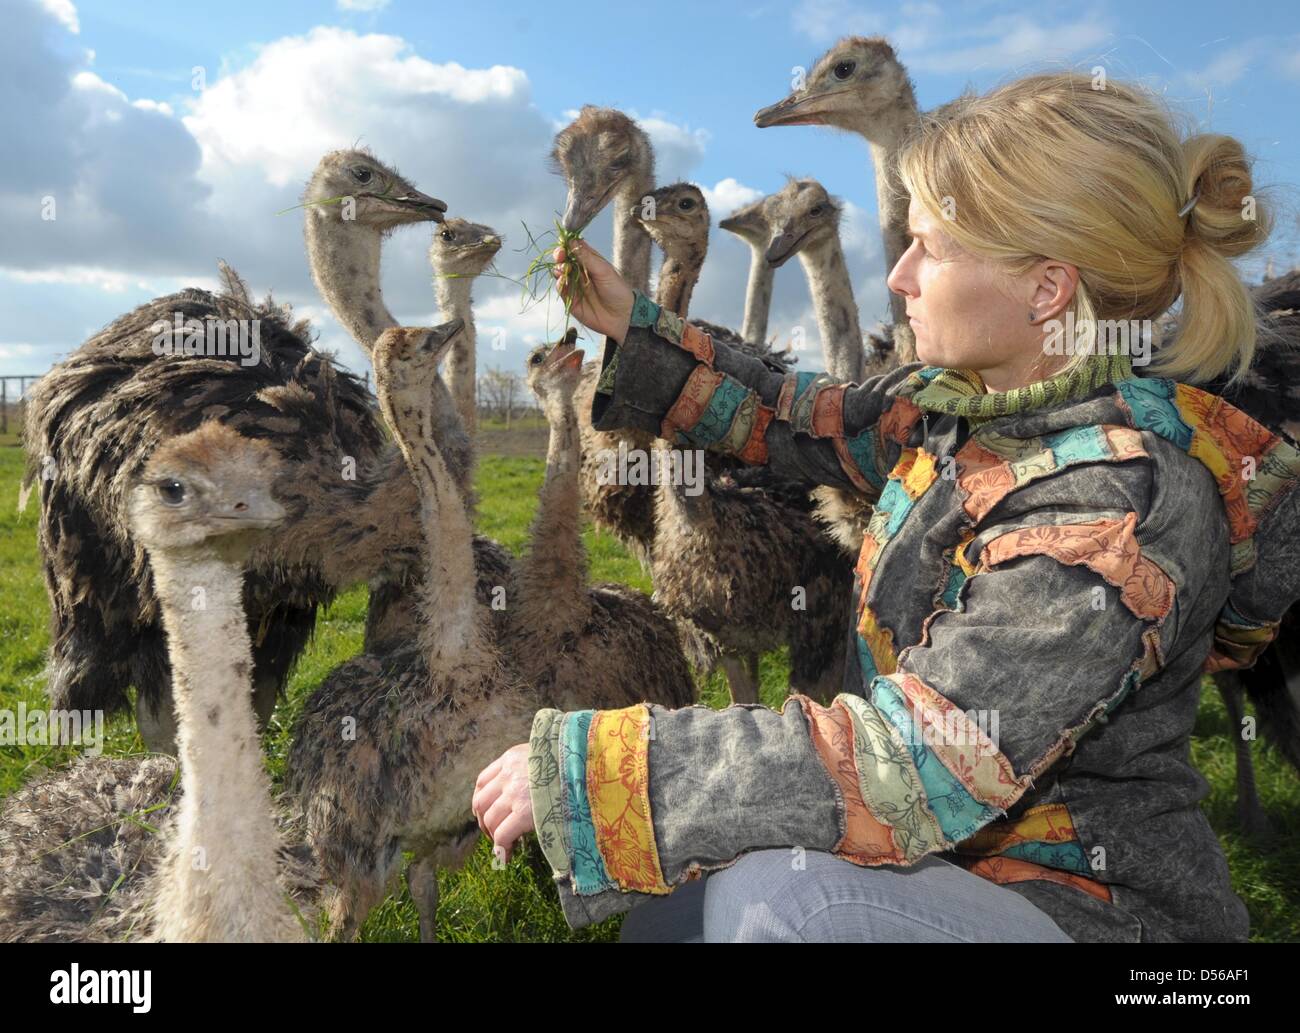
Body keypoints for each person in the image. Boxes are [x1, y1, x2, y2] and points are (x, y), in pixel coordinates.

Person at [471, 71, 1300, 942]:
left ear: (1046, 289)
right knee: (681, 904)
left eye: (929, 248)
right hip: (962, 867)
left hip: (1103, 915)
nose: (899, 276)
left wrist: (601, 768)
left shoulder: (1115, 508)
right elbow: (798, 417)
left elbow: (912, 760)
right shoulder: (973, 413)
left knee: (784, 902)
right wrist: (633, 325)